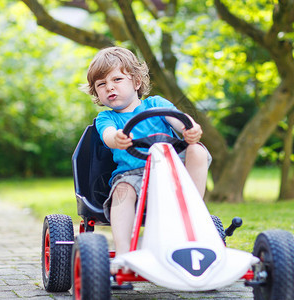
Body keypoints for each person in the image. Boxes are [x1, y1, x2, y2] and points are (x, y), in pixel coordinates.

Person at [84, 47, 211, 268]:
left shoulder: (157, 105)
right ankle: (124, 253)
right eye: (101, 84)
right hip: (132, 175)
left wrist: (190, 129)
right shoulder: (107, 117)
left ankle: (192, 210)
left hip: (172, 173)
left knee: (197, 149)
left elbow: (181, 121)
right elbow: (107, 135)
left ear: (136, 82)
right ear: (97, 93)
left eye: (116, 79)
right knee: (122, 191)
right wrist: (117, 139)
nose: (110, 86)